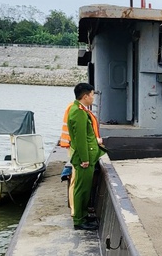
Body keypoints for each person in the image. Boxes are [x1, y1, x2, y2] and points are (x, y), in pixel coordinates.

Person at [67, 83, 105, 231]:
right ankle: (79, 220)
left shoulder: (79, 110)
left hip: (88, 156)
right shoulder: (78, 112)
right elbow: (81, 139)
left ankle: (82, 215)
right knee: (81, 189)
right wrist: (84, 159)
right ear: (85, 96)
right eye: (92, 95)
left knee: (85, 188)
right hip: (85, 158)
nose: (93, 97)